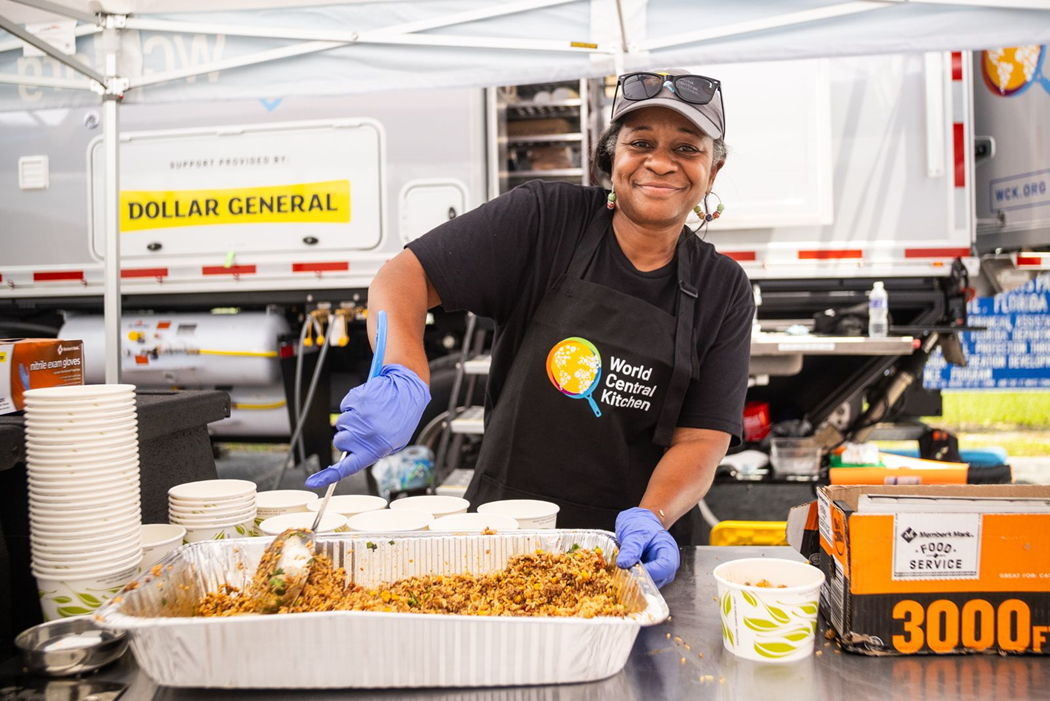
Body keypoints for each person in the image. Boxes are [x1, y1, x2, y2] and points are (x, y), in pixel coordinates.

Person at [307, 70, 754, 588]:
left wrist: (652, 518)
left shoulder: (724, 288)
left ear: (712, 170)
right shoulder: (544, 219)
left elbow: (701, 438)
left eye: (686, 147)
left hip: (629, 554)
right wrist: (402, 371)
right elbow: (403, 277)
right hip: (504, 534)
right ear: (612, 157)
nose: (660, 161)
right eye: (641, 143)